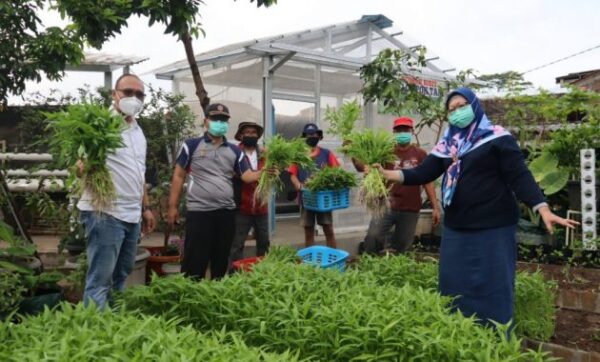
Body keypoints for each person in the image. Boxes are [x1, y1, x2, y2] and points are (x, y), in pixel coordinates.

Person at [372, 87, 577, 328]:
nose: (456, 112)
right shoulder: (450, 144)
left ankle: (495, 337)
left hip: (493, 228)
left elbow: (519, 176)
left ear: (474, 106)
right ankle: (460, 334)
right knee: (454, 283)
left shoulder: (497, 138)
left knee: (492, 284)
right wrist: (386, 173)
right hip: (458, 228)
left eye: (461, 106)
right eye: (451, 109)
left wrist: (542, 208)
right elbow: (422, 172)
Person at [78, 73, 156, 309]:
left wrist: (146, 207)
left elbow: (138, 172)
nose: (134, 98)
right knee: (100, 280)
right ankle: (95, 334)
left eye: (139, 94)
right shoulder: (99, 125)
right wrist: (84, 166)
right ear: (115, 95)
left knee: (121, 276)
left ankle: (114, 326)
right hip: (105, 212)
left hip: (132, 214)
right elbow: (80, 166)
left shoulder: (137, 131)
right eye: (128, 92)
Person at [167, 104, 266, 279]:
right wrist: (172, 207)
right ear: (206, 121)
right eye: (215, 119)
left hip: (226, 212)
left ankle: (217, 294)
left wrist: (265, 171)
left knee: (220, 260)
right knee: (195, 260)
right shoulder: (192, 144)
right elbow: (178, 175)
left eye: (223, 120)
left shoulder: (235, 150)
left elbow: (247, 176)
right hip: (199, 212)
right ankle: (191, 296)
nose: (220, 123)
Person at [353, 117, 441, 254]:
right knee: (373, 236)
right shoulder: (385, 152)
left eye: (405, 130)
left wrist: (435, 206)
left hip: (410, 207)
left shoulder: (420, 154)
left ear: (411, 131)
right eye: (399, 130)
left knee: (402, 245)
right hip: (386, 205)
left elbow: (427, 181)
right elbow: (364, 167)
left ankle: (394, 270)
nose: (402, 133)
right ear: (393, 132)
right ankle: (372, 264)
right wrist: (353, 152)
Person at [288, 123, 340, 248]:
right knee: (308, 232)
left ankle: (333, 257)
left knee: (328, 229)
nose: (312, 136)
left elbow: (336, 171)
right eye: (308, 134)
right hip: (307, 198)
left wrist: (328, 181)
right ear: (304, 137)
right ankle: (310, 261)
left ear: (319, 136)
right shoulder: (298, 155)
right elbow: (292, 174)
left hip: (323, 198)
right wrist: (299, 186)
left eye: (314, 134)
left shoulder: (326, 154)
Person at [229, 121, 270, 266]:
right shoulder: (234, 152)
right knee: (237, 243)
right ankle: (235, 274)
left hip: (261, 206)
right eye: (247, 132)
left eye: (253, 133)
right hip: (241, 206)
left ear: (258, 136)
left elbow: (273, 172)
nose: (250, 135)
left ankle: (263, 272)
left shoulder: (265, 153)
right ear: (240, 135)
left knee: (264, 242)